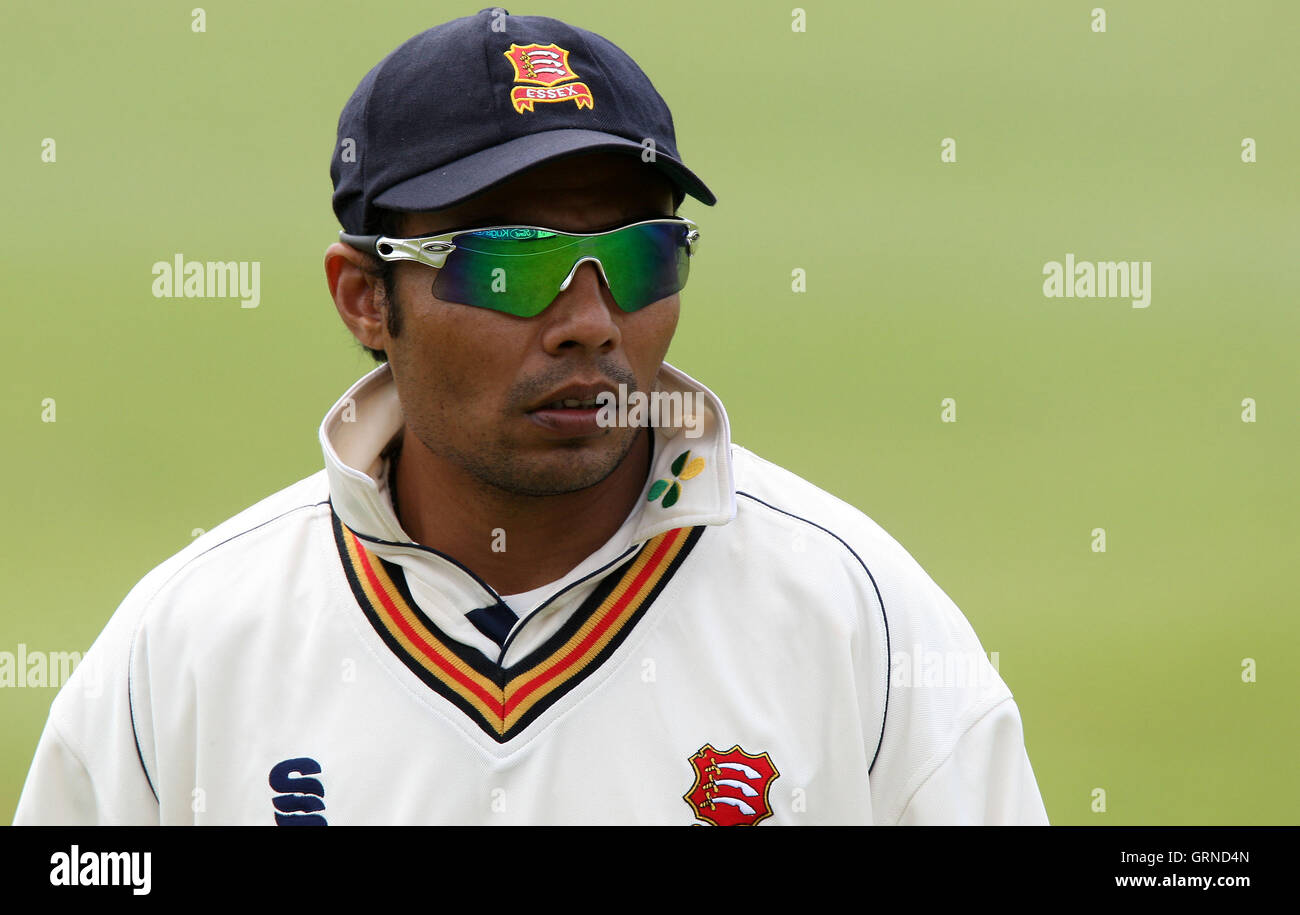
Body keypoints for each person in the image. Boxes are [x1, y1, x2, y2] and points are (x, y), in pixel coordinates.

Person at [13, 8, 1049, 825]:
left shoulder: (855, 619)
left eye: (641, 254)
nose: (590, 322)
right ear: (364, 298)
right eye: (509, 261)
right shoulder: (190, 643)